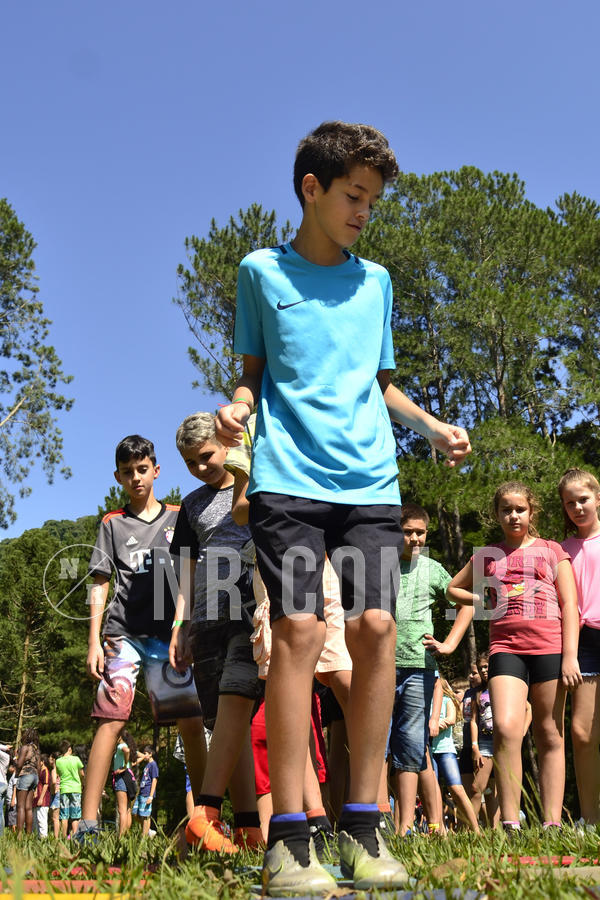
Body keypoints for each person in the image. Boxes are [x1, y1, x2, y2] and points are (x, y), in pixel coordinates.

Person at [216, 120, 471, 893]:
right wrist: (236, 409)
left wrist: (431, 426)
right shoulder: (260, 271)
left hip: (369, 483)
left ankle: (364, 826)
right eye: (354, 195)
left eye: (373, 201)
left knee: (377, 628)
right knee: (297, 631)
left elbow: (379, 383)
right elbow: (252, 374)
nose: (364, 211)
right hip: (288, 480)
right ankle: (290, 839)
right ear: (312, 189)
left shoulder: (377, 282)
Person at [75, 435, 205, 843]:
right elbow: (100, 583)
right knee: (111, 721)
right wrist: (94, 641)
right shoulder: (111, 524)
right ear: (118, 477)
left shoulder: (180, 516)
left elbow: (191, 574)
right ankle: (87, 826)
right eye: (128, 472)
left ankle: (206, 820)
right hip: (123, 635)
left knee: (190, 722)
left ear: (156, 470)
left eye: (143, 469)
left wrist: (185, 627)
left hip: (169, 637)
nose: (136, 477)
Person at [447, 481, 582, 832]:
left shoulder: (552, 551)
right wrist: (483, 599)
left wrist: (570, 656)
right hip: (506, 648)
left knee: (549, 732)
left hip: (550, 647)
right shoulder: (488, 555)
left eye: (520, 509)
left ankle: (552, 823)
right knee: (506, 728)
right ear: (497, 515)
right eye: (506, 510)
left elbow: (570, 605)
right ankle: (510, 823)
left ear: (531, 511)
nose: (513, 515)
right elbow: (452, 589)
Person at [169, 412, 262, 853]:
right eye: (190, 462)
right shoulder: (191, 505)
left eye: (206, 455)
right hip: (206, 618)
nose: (200, 466)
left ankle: (215, 818)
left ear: (226, 446)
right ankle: (245, 828)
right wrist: (180, 625)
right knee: (224, 723)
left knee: (238, 707)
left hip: (248, 610)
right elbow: (185, 571)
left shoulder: (256, 486)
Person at [389, 502, 474, 836]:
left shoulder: (432, 569)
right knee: (378, 749)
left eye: (420, 533)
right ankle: (381, 822)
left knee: (412, 748)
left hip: (419, 668)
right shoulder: (379, 565)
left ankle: (406, 828)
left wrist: (449, 643)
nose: (414, 539)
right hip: (380, 668)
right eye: (407, 532)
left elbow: (466, 604)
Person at [558, 467, 600, 824]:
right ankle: (590, 819)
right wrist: (568, 654)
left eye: (583, 499)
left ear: (598, 499)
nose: (577, 508)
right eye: (570, 503)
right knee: (582, 733)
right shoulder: (562, 550)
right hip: (582, 642)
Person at [429, 678, 479, 832]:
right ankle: (440, 831)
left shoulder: (446, 701)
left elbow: (451, 719)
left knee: (457, 788)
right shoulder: (424, 702)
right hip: (429, 751)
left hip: (445, 750)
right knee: (434, 791)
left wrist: (435, 724)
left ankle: (476, 829)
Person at [55, 739, 84, 837]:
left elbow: (59, 774)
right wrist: (82, 783)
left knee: (64, 815)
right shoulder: (76, 759)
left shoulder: (58, 761)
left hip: (64, 789)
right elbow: (82, 774)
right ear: (69, 749)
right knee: (75, 815)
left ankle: (64, 837)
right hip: (75, 789)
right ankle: (75, 836)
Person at [15, 728, 40, 834]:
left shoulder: (25, 748)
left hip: (25, 775)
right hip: (35, 776)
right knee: (28, 807)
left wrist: (16, 760)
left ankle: (19, 835)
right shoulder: (36, 750)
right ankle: (29, 835)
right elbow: (39, 767)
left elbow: (19, 764)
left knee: (20, 806)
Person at [112, 730, 136, 836]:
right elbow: (141, 756)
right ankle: (126, 835)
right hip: (129, 777)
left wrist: (125, 766)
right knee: (127, 810)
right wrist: (129, 765)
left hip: (121, 778)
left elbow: (126, 751)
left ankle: (121, 837)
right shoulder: (127, 745)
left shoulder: (121, 746)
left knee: (121, 810)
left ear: (120, 736)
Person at [133, 745, 159, 836]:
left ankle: (144, 837)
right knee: (135, 813)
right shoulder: (147, 765)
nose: (144, 755)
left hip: (147, 793)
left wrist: (151, 796)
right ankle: (148, 830)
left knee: (145, 816)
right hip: (141, 793)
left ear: (150, 754)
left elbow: (154, 780)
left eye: (145, 753)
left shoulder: (153, 765)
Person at [33, 754, 51, 837]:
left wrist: (41, 798)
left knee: (42, 820)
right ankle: (37, 837)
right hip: (37, 799)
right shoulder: (39, 771)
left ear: (42, 762)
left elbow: (46, 785)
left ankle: (44, 838)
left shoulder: (45, 771)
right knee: (36, 820)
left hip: (43, 800)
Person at [0, 742, 12, 837]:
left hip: (0, 784)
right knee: (1, 812)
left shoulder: (4, 756)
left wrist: (4, 747)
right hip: (4, 784)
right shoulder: (6, 758)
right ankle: (2, 834)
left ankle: (1, 834)